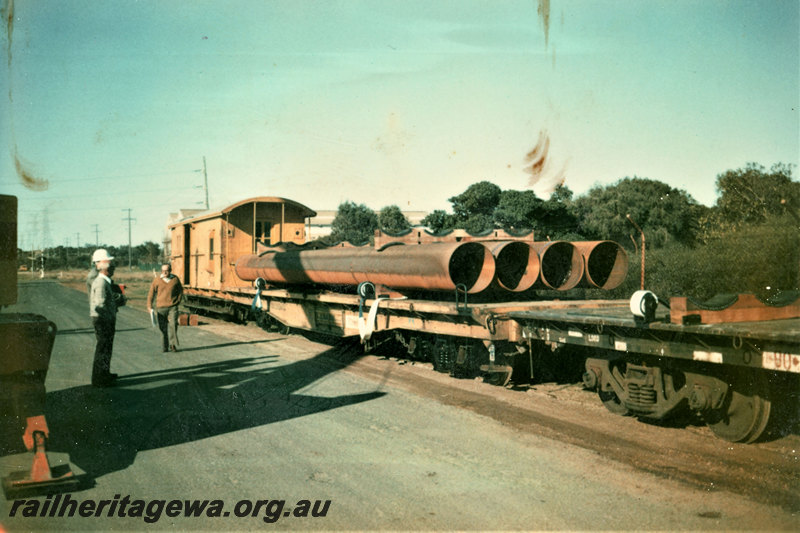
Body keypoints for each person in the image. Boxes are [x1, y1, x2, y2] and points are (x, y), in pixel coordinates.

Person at [89, 249, 121, 387]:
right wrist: (108, 318)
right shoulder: (101, 283)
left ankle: (104, 374)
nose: (113, 266)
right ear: (102, 266)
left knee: (106, 348)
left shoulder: (104, 281)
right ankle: (99, 379)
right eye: (110, 263)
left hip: (104, 318)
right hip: (103, 319)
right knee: (103, 349)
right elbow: (100, 305)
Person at [146, 262, 183, 352]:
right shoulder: (157, 280)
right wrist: (149, 305)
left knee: (173, 325)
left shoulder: (175, 279)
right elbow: (151, 293)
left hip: (172, 307)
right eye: (163, 271)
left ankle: (173, 344)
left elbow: (180, 291)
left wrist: (177, 301)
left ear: (170, 270)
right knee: (163, 328)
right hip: (161, 308)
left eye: (167, 271)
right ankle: (164, 346)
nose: (165, 272)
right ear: (161, 271)